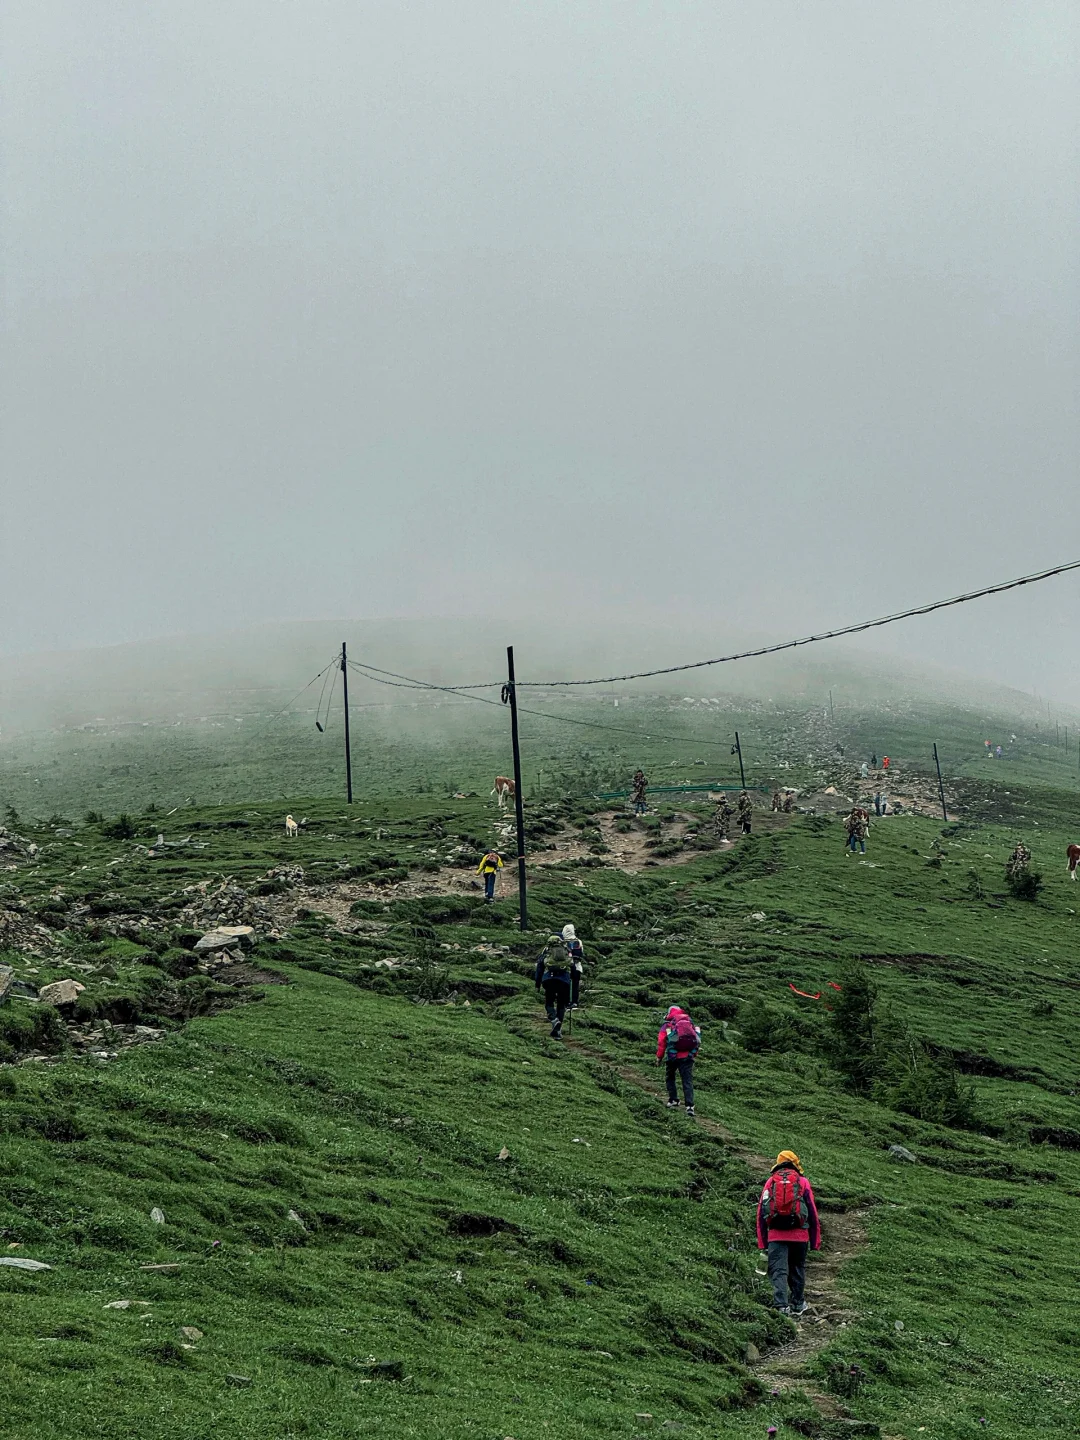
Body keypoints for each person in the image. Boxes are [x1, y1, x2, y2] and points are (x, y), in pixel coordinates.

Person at [756, 1150, 822, 1315]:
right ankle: (798, 1304)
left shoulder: (770, 1182)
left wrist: (763, 1242)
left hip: (776, 1236)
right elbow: (812, 1213)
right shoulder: (803, 1182)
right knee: (797, 1268)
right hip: (800, 1236)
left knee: (778, 1270)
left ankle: (781, 1306)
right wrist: (815, 1241)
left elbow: (761, 1214)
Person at [656, 1005, 700, 1116]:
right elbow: (696, 1039)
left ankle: (673, 1100)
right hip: (688, 1057)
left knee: (670, 1077)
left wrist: (659, 1057)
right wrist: (693, 1054)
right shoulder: (689, 1022)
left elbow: (662, 1043)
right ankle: (690, 1106)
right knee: (687, 1080)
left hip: (672, 1056)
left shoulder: (667, 1025)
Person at [535, 934, 573, 1038]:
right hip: (564, 980)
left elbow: (540, 967)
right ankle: (557, 1030)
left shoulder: (546, 950)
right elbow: (572, 965)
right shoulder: (566, 949)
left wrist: (537, 984)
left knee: (549, 1002)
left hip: (549, 980)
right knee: (561, 1004)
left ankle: (554, 1019)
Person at [562, 923, 585, 1008]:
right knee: (575, 985)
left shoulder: (563, 942)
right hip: (577, 966)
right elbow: (582, 952)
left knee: (566, 984)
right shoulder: (578, 941)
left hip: (566, 966)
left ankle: (566, 1001)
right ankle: (575, 1001)